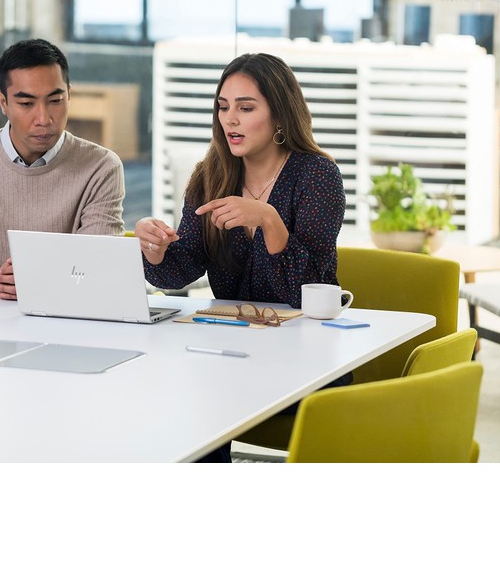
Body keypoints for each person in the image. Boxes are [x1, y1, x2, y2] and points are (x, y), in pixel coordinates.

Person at [135, 53, 347, 462]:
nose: (229, 119)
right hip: (229, 353)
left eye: (246, 108)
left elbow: (307, 291)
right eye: (223, 107)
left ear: (279, 114)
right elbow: (182, 268)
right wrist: (155, 250)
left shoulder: (317, 175)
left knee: (197, 399)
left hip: (305, 361)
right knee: (170, 395)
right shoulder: (210, 174)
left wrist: (269, 221)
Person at [0, 38, 125, 298]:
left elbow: (98, 261)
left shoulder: (101, 167)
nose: (43, 119)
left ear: (69, 96)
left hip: (67, 310)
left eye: (55, 100)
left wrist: (35, 277)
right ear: (3, 103)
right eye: (26, 104)